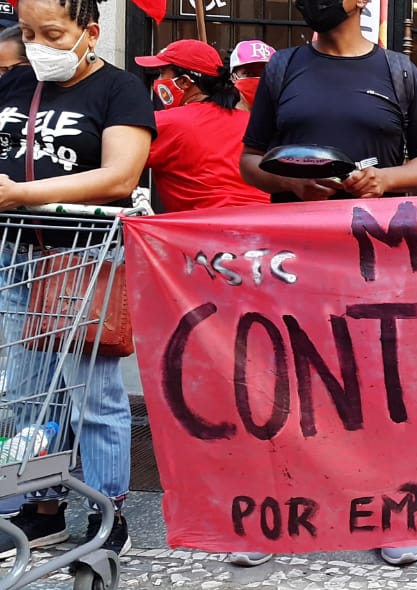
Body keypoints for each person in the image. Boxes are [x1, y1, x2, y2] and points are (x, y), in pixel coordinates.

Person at [238, 0, 417, 566]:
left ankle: (389, 512)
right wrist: (293, 185)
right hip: (294, 253)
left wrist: (387, 179)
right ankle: (276, 514)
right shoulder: (283, 69)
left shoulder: (399, 73)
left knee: (380, 382)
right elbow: (250, 161)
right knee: (285, 377)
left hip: (373, 256)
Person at [0, 0, 156, 558]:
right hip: (15, 253)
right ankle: (38, 505)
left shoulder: (121, 90)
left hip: (84, 256)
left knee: (94, 393)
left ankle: (107, 507)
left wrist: (21, 193)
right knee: (26, 395)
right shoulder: (15, 86)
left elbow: (120, 175)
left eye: (53, 33)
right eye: (27, 32)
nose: (38, 44)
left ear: (90, 32)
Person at [135, 39, 268, 212]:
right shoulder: (253, 122)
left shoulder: (166, 122)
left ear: (184, 82)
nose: (158, 81)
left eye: (161, 73)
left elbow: (117, 166)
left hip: (205, 230)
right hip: (269, 225)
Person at [228, 39, 274, 110]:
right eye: (249, 73)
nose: (258, 79)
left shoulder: (287, 117)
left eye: (264, 73)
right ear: (233, 77)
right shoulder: (220, 117)